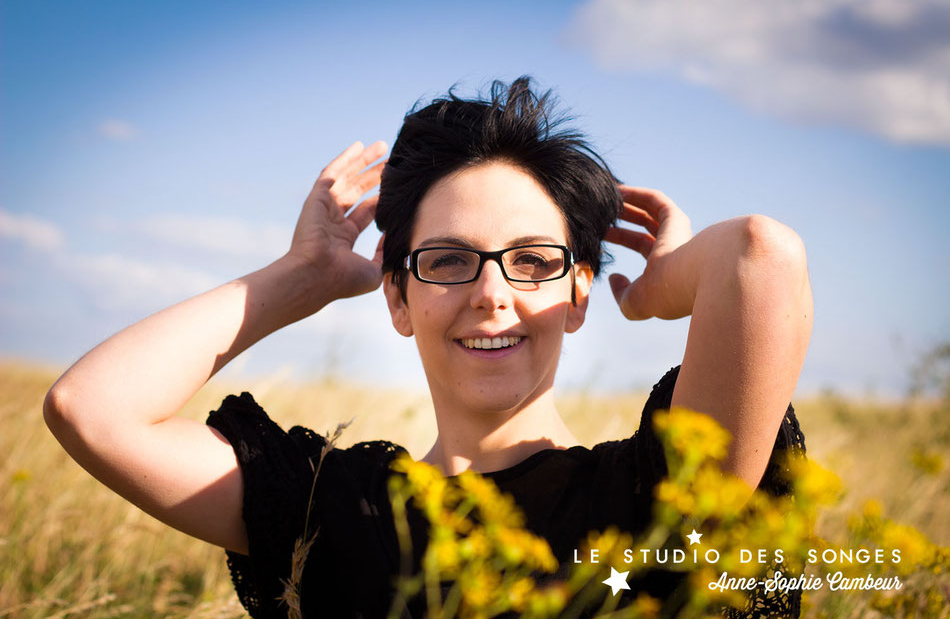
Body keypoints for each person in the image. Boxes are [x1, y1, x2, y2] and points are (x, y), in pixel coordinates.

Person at [43, 77, 813, 618]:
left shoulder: (659, 496)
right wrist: (301, 275)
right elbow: (91, 409)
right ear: (397, 298)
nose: (492, 293)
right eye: (447, 260)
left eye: (534, 260)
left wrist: (660, 286)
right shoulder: (335, 512)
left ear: (578, 294)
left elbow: (760, 255)